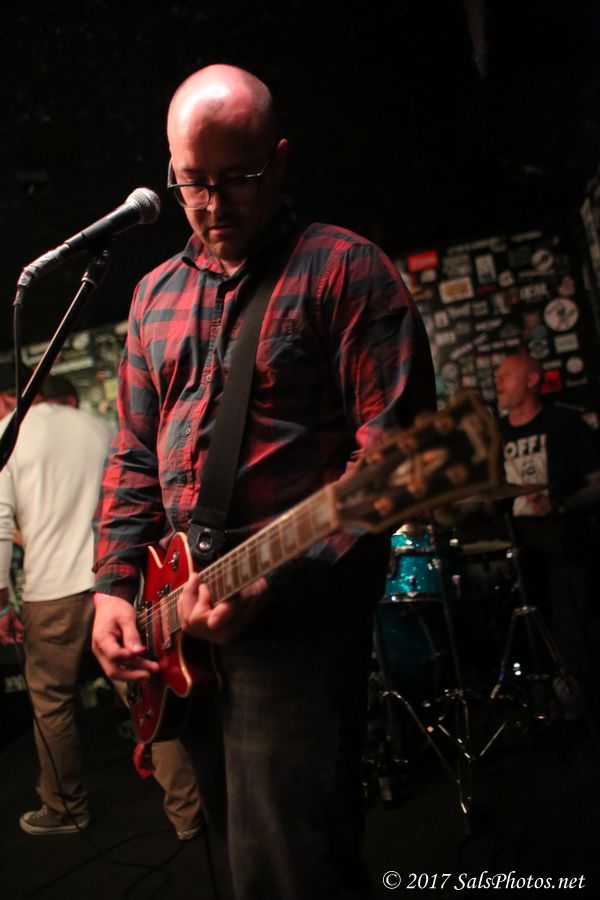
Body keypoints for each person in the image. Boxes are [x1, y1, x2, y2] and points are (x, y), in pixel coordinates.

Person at [92, 64, 435, 899]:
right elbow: (134, 456)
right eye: (191, 183)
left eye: (236, 178)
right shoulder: (151, 296)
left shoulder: (345, 270)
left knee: (292, 868)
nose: (211, 205)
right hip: (179, 620)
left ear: (278, 160)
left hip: (296, 629)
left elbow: (397, 462)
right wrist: (111, 588)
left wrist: (271, 582)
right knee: (238, 857)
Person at [0, 368, 202, 839]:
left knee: (52, 701)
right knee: (147, 693)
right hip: (119, 583)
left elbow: (0, 524)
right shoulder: (100, 425)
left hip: (52, 591)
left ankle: (65, 808)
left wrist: (2, 605)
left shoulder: (10, 433)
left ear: (12, 396)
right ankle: (189, 812)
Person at [494, 350, 600, 711]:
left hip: (562, 533)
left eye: (506, 374)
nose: (497, 382)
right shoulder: (495, 435)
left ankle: (574, 691)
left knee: (566, 569)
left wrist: (561, 504)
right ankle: (531, 693)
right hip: (516, 536)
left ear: (532, 379)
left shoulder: (563, 423)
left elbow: (596, 481)